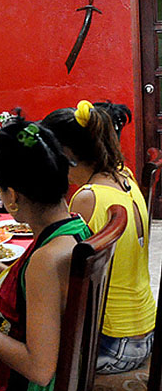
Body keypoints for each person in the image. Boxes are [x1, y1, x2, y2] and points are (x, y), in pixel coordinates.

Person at [0, 117, 91, 391]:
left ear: (12, 196)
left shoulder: (45, 261)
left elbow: (39, 369)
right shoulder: (76, 226)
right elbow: (46, 297)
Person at [43, 100, 155, 374]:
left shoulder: (88, 198)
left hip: (114, 343)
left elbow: (63, 282)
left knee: (30, 353)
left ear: (65, 155)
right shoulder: (122, 176)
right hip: (142, 330)